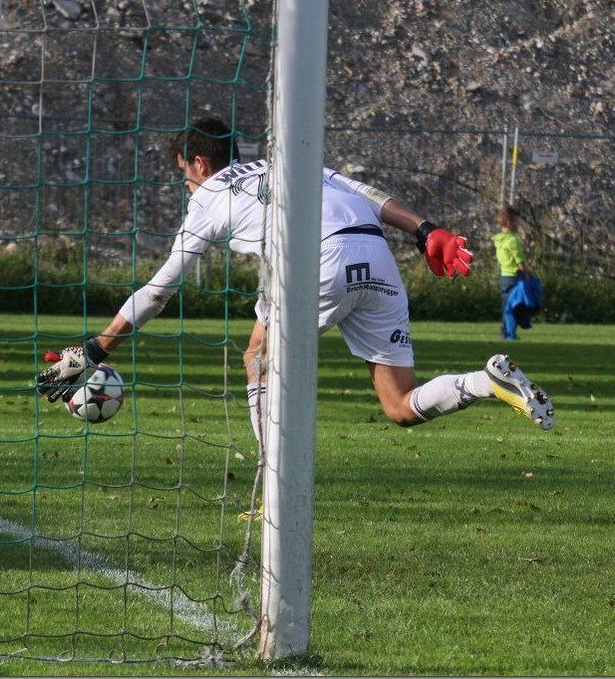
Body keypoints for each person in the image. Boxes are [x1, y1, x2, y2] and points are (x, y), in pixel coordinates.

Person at [35, 116, 555, 440]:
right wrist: (425, 230)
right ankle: (484, 382)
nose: (185, 184)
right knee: (400, 405)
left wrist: (96, 348)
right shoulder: (282, 165)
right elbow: (367, 194)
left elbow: (159, 291)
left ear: (199, 162)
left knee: (256, 357)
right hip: (376, 254)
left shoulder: (209, 197)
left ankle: (271, 496)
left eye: (183, 173)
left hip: (318, 258)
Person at [491, 205, 531, 341]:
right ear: (509, 222)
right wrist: (527, 273)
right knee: (516, 305)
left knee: (506, 305)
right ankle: (510, 333)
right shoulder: (513, 240)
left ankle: (505, 331)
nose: (519, 225)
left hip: (504, 276)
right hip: (515, 276)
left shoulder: (499, 240)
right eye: (517, 222)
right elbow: (519, 259)